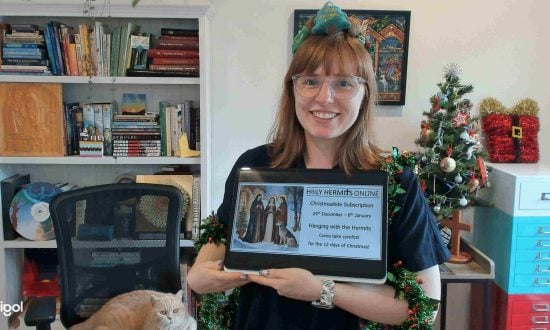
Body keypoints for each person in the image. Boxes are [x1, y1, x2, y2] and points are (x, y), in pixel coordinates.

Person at [187, 2, 450, 329]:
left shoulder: (395, 181)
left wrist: (322, 290)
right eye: (310, 81)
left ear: (365, 94)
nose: (324, 98)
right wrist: (201, 278)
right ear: (293, 90)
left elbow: (424, 307)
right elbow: (203, 269)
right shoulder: (255, 165)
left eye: (343, 83)